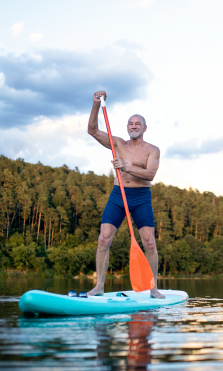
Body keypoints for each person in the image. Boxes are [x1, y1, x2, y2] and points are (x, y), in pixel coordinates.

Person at [86, 90, 165, 299]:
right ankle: (99, 286)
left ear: (145, 128)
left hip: (141, 197)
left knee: (149, 242)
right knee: (103, 239)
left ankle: (153, 288)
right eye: (130, 123)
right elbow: (92, 130)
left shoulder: (152, 150)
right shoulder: (118, 144)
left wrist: (126, 168)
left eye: (137, 124)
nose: (133, 126)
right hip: (118, 195)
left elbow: (150, 174)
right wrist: (96, 104)